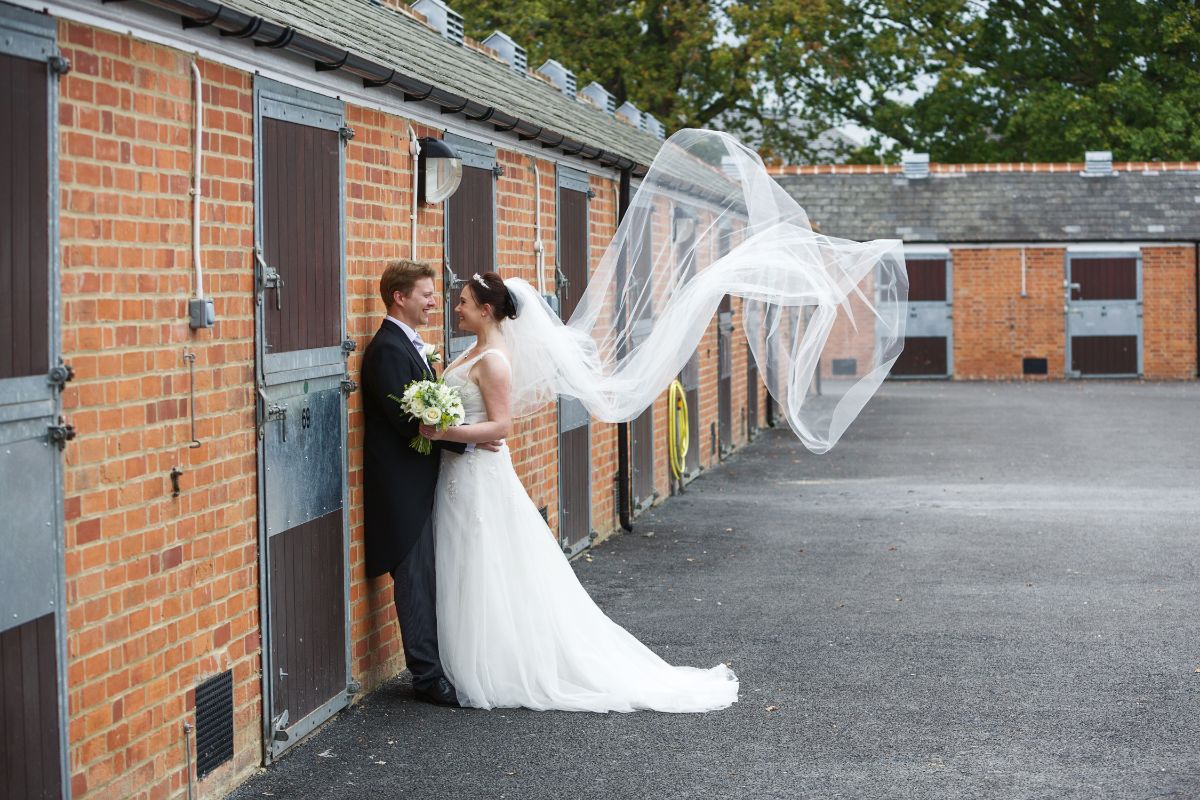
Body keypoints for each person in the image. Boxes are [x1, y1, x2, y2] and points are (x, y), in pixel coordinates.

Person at [418, 271, 738, 712]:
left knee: (483, 560)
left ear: (486, 311)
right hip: (459, 472)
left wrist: (443, 432)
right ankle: (465, 658)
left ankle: (491, 665)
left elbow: (501, 426)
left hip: (478, 475)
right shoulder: (471, 351)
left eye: (464, 302)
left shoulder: (493, 360)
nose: (457, 308)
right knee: (467, 560)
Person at [360, 260, 499, 706]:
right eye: (426, 294)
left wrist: (463, 438)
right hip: (402, 488)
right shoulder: (387, 349)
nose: (434, 302)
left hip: (422, 482)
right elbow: (409, 422)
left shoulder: (407, 344)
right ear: (399, 297)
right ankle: (427, 678)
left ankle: (438, 667)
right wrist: (467, 441)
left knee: (427, 578)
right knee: (415, 581)